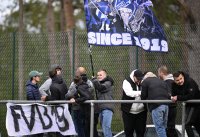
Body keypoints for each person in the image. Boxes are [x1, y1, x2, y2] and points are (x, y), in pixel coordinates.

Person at [171, 71, 200, 137]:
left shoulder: (190, 81)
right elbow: (173, 95)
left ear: (183, 77)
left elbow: (191, 96)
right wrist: (173, 97)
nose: (180, 81)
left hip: (196, 104)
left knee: (187, 124)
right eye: (177, 80)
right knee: (196, 123)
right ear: (174, 80)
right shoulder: (173, 84)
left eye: (181, 79)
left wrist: (178, 97)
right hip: (188, 105)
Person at [141, 72, 169, 137]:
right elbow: (168, 93)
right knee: (163, 127)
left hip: (156, 105)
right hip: (166, 105)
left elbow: (143, 96)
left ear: (146, 77)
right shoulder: (162, 81)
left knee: (159, 127)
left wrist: (144, 105)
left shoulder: (145, 81)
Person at [121, 69, 147, 137]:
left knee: (141, 132)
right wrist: (141, 92)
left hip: (141, 111)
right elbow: (129, 93)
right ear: (134, 76)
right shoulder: (126, 81)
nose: (139, 81)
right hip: (128, 112)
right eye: (137, 79)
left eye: (140, 79)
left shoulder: (143, 81)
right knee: (128, 131)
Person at [66, 73, 92, 137]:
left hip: (85, 110)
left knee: (81, 127)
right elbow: (76, 94)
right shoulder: (83, 85)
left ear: (75, 82)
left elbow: (86, 97)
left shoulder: (80, 87)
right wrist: (72, 97)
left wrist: (76, 100)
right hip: (85, 109)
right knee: (82, 127)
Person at [92, 69, 114, 137]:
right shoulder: (99, 83)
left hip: (107, 108)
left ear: (105, 75)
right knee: (103, 127)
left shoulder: (108, 83)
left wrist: (95, 80)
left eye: (100, 75)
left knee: (106, 127)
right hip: (101, 109)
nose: (99, 76)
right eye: (98, 75)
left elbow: (100, 88)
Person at [158, 66, 178, 137]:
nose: (158, 75)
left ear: (161, 73)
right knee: (170, 127)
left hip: (170, 107)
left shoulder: (168, 82)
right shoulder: (172, 81)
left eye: (158, 73)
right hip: (172, 107)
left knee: (170, 128)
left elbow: (169, 94)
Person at [25, 70, 44, 137]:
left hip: (37, 110)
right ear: (33, 77)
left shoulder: (35, 86)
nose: (39, 77)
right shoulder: (29, 88)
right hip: (34, 112)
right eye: (38, 76)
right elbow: (31, 99)